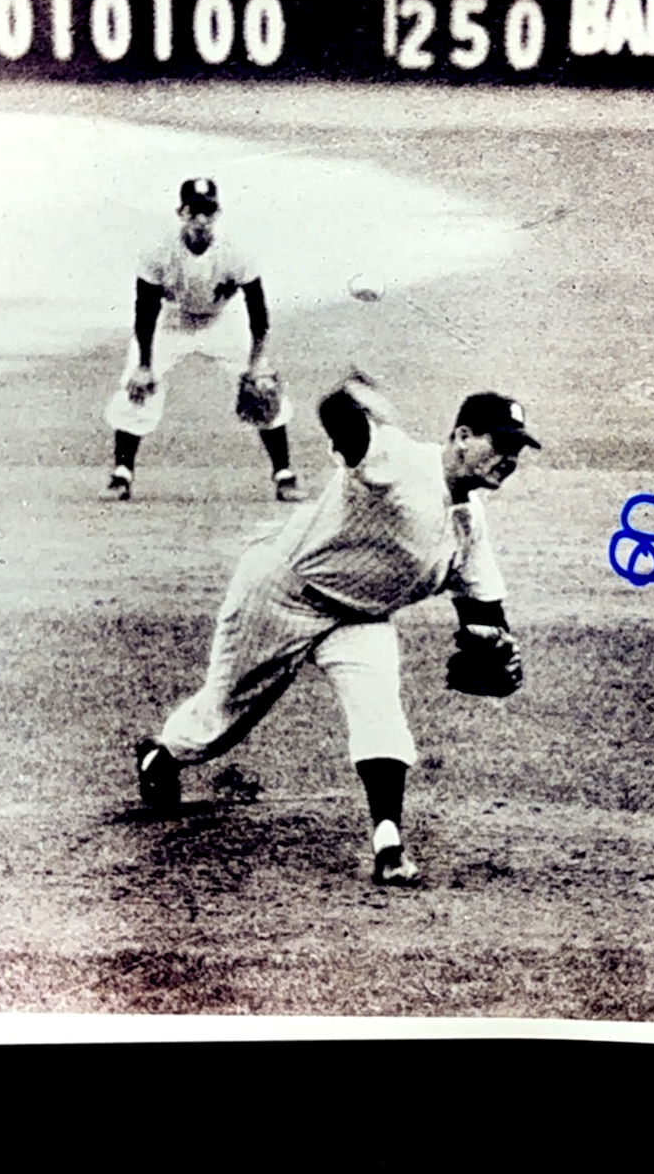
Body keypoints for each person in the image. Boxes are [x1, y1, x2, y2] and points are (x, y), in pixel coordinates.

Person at [133, 374, 540, 885]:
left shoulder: (469, 527)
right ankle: (162, 752)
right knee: (220, 719)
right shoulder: (397, 457)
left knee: (381, 716)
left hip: (360, 620)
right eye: (500, 443)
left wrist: (497, 648)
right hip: (282, 593)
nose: (509, 458)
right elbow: (344, 428)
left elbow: (484, 611)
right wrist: (347, 400)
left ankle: (389, 844)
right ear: (461, 437)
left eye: (517, 450)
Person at [106, 177, 303, 503]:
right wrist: (144, 364)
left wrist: (257, 363)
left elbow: (258, 312)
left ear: (217, 213)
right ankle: (121, 473)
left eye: (208, 212)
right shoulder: (158, 249)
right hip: (172, 320)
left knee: (263, 388)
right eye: (193, 211)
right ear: (180, 212)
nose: (201, 220)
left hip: (222, 320)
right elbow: (145, 311)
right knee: (137, 383)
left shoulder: (237, 249)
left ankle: (284, 474)